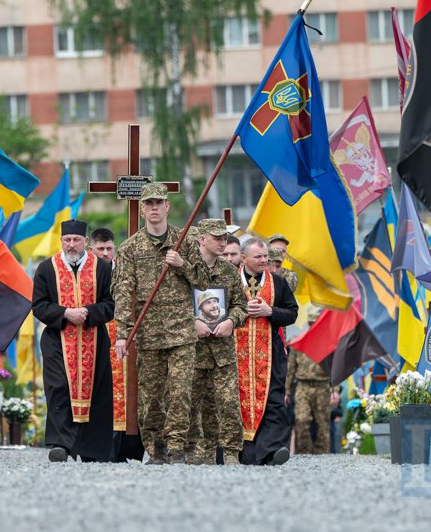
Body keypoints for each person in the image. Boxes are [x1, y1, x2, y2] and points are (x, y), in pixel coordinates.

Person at [113, 183, 209, 464]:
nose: (154, 208)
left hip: (181, 332)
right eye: (149, 204)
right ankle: (156, 450)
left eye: (159, 203)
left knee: (180, 392)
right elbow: (122, 291)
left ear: (167, 207)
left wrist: (182, 264)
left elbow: (204, 282)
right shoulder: (130, 248)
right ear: (142, 209)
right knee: (151, 398)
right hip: (149, 333)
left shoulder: (186, 242)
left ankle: (177, 447)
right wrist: (122, 334)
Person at [32, 219, 115, 462]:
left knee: (97, 393)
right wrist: (65, 313)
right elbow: (38, 306)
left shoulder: (101, 268)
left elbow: (111, 304)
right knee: (59, 389)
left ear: (86, 242)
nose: (71, 245)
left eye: (76, 240)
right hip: (58, 339)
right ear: (61, 241)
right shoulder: (47, 268)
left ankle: (92, 450)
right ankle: (61, 445)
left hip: (95, 339)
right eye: (67, 240)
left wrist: (88, 313)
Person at [183, 218, 247, 466]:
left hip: (222, 351)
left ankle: (231, 452)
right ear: (202, 239)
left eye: (225, 238)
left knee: (229, 403)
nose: (223, 243)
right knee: (190, 404)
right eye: (217, 238)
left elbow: (240, 305)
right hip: (191, 350)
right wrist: (191, 322)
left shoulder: (230, 271)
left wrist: (231, 321)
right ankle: (194, 452)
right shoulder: (185, 268)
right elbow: (171, 304)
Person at [236, 237, 298, 466]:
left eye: (265, 256)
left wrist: (269, 310)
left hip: (270, 353)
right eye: (258, 257)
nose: (264, 261)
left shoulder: (279, 284)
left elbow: (292, 313)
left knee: (273, 401)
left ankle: (270, 452)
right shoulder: (230, 281)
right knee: (238, 400)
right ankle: (244, 453)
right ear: (244, 258)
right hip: (235, 354)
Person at [89, 227, 141, 462]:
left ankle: (132, 447)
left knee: (133, 389)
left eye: (109, 248)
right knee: (104, 389)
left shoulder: (126, 270)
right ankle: (101, 448)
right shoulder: (87, 273)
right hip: (99, 338)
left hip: (128, 339)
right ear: (92, 249)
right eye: (100, 249)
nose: (105, 253)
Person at [286, 312, 331, 454]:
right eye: (310, 324)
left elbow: (334, 368)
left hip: (322, 386)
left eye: (315, 324)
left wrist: (335, 391)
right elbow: (290, 369)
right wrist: (286, 391)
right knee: (301, 419)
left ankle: (321, 451)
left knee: (322, 421)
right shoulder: (298, 343)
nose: (312, 326)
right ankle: (304, 451)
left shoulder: (327, 344)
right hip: (302, 386)